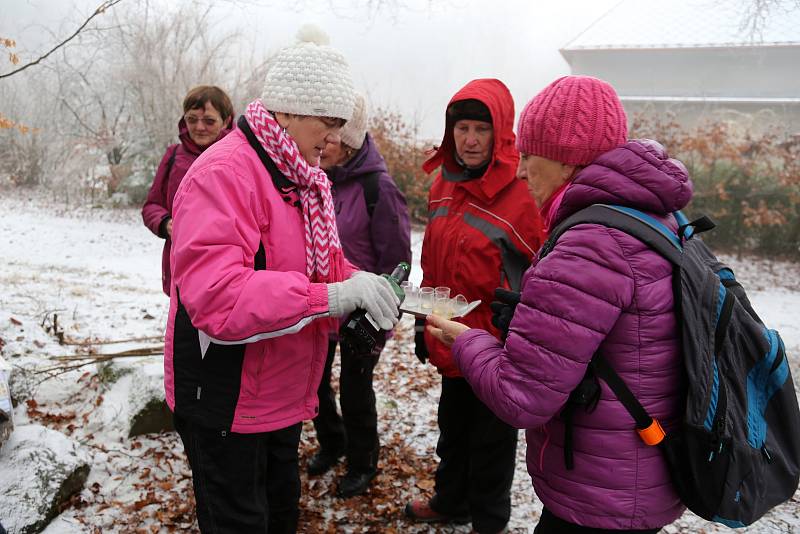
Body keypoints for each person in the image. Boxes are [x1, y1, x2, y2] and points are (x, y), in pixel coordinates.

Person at [426, 75, 693, 533]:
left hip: (600, 490)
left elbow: (522, 397)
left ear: (566, 160)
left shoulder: (589, 245)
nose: (523, 170)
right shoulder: (654, 218)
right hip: (635, 469)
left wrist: (469, 339)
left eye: (529, 156)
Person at [163, 27, 402, 533]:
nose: (336, 139)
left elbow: (325, 265)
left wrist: (365, 284)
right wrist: (331, 297)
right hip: (225, 400)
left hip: (279, 396)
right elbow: (218, 299)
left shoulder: (301, 178)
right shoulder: (225, 173)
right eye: (329, 122)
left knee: (281, 516)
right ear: (289, 111)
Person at [405, 79, 545, 534]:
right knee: (453, 430)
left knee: (491, 444)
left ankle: (488, 521)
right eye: (461, 127)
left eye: (480, 129)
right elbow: (434, 259)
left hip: (496, 344)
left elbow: (547, 270)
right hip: (449, 336)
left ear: (500, 132)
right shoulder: (443, 185)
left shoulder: (523, 196)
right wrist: (423, 319)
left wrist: (526, 331)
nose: (469, 139)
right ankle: (451, 501)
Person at [308, 94, 412, 497]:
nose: (321, 140)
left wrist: (379, 316)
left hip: (361, 315)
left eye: (330, 133)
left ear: (347, 139)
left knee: (355, 390)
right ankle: (332, 443)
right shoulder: (312, 180)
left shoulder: (378, 188)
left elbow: (398, 263)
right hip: (320, 306)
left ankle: (362, 461)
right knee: (314, 384)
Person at [142, 85, 235, 296]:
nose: (199, 127)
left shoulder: (239, 157)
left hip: (226, 269)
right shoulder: (174, 155)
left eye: (209, 121)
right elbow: (151, 206)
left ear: (227, 120)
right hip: (180, 268)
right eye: (192, 119)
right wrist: (166, 223)